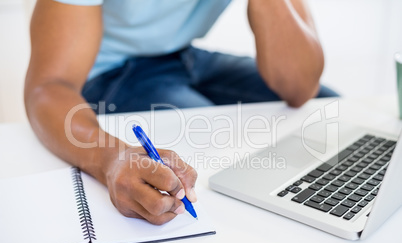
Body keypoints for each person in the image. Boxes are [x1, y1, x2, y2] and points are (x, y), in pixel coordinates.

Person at [24, 0, 338, 225]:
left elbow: (299, 88)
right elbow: (48, 86)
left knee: (332, 114)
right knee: (213, 156)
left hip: (182, 53)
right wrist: (111, 158)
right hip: (110, 71)